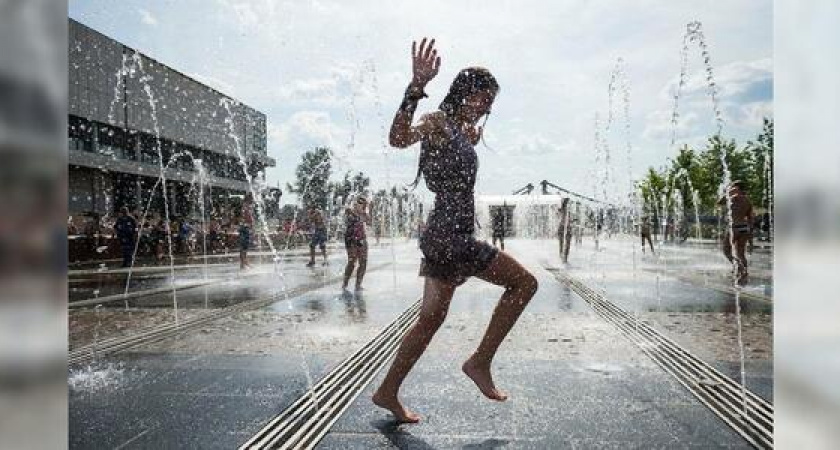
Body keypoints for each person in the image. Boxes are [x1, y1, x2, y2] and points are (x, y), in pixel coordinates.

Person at [371, 38, 539, 423]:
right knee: (524, 284)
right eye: (484, 98)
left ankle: (387, 391)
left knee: (430, 319)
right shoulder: (437, 123)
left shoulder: (459, 130)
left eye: (490, 102)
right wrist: (415, 88)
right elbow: (398, 138)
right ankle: (480, 361)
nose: (487, 108)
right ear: (466, 94)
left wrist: (467, 136)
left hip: (441, 235)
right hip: (452, 237)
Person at [718, 181, 754, 285]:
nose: (731, 188)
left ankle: (739, 267)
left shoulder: (732, 198)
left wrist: (728, 192)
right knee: (741, 253)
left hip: (734, 228)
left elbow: (719, 202)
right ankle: (744, 271)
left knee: (726, 250)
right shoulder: (748, 200)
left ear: (737, 187)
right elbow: (751, 217)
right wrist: (750, 230)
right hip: (744, 227)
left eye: (733, 186)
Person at [341, 196, 370, 291]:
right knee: (352, 261)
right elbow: (348, 218)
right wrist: (355, 212)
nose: (360, 205)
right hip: (351, 239)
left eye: (363, 204)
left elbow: (369, 221)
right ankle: (345, 283)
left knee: (363, 262)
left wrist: (364, 212)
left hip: (362, 239)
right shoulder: (349, 212)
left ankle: (358, 285)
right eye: (359, 203)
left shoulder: (364, 214)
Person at [239, 193, 255, 270]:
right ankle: (243, 262)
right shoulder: (246, 206)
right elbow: (247, 217)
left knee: (244, 246)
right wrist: (251, 224)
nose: (253, 200)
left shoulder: (245, 206)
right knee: (244, 246)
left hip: (244, 227)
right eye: (252, 198)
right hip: (245, 227)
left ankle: (243, 262)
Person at [557, 198, 573, 264]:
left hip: (567, 228)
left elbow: (567, 219)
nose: (569, 204)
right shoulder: (562, 210)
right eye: (568, 202)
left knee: (566, 244)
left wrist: (572, 220)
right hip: (562, 228)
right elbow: (562, 217)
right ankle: (563, 259)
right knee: (563, 244)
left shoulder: (566, 211)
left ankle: (564, 258)